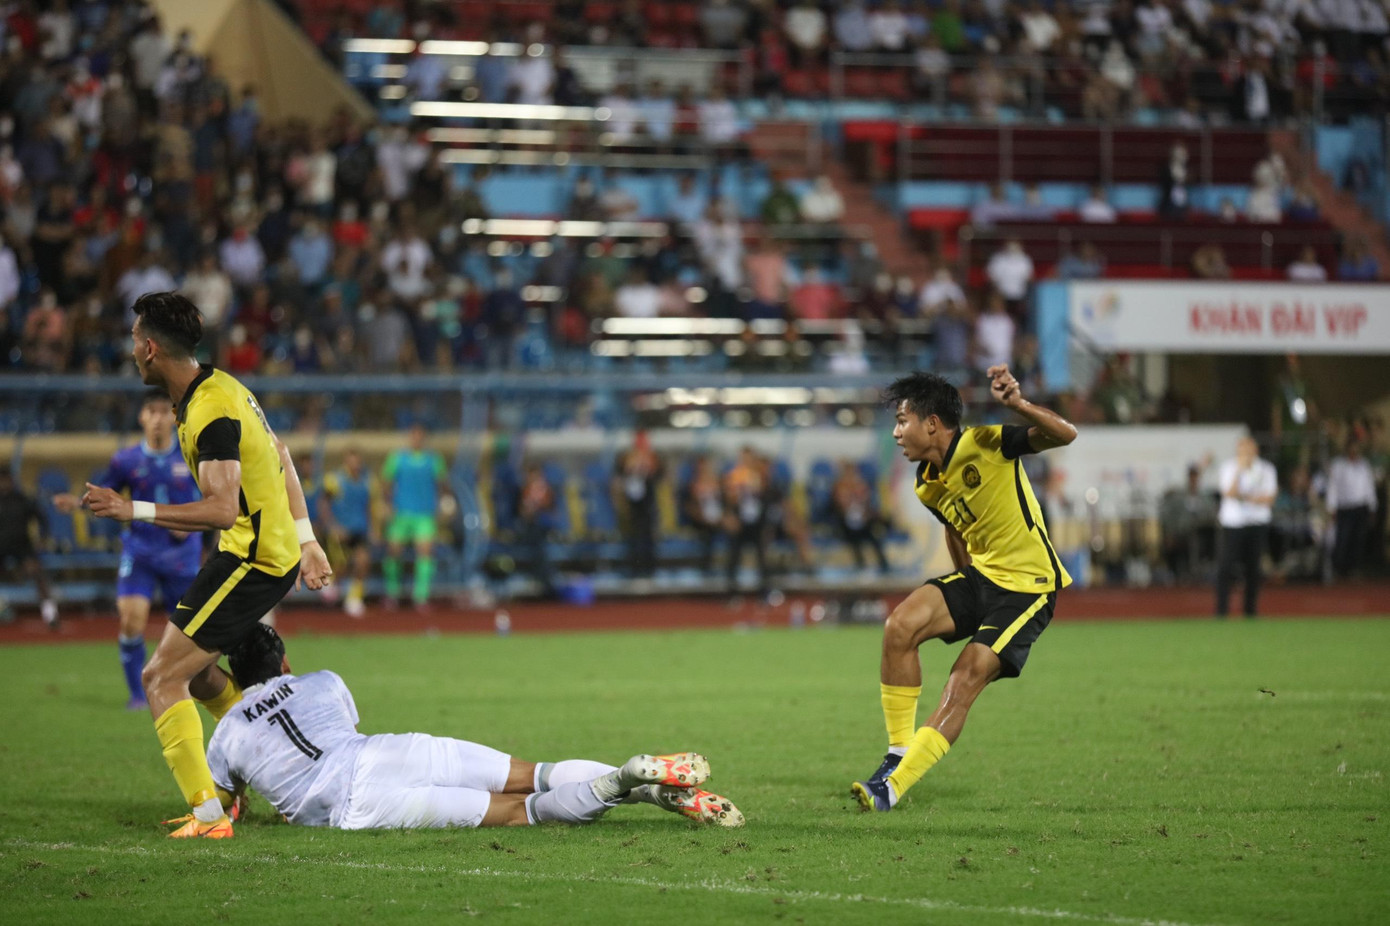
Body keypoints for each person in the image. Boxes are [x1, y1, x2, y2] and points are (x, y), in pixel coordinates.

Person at [80, 291, 332, 839]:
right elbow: (281, 454)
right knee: (194, 675)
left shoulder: (210, 408)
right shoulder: (223, 388)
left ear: (150, 349)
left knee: (160, 677)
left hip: (253, 559)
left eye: (133, 343)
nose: (131, 353)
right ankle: (269, 770)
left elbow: (221, 509)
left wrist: (132, 509)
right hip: (260, 551)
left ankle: (210, 815)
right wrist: (308, 538)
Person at [206, 624, 743, 830]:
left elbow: (226, 803)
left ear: (235, 674)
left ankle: (623, 779)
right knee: (536, 774)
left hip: (359, 806)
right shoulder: (322, 680)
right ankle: (651, 789)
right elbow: (341, 728)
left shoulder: (227, 731)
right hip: (388, 751)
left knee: (522, 813)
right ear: (284, 663)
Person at [850, 367, 1077, 813]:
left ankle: (891, 789)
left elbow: (1065, 434)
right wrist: (964, 592)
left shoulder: (987, 444)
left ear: (931, 423)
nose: (897, 433)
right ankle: (895, 755)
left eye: (902, 420)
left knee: (962, 677)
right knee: (900, 626)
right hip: (982, 578)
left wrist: (1018, 406)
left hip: (1028, 589)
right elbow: (957, 529)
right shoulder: (926, 483)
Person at [54, 391, 202, 709]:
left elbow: (215, 500)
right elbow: (105, 492)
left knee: (191, 631)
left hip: (182, 554)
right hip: (141, 551)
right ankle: (139, 695)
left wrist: (193, 523)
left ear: (174, 418)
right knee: (131, 621)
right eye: (152, 410)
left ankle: (185, 686)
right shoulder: (126, 460)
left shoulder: (191, 455)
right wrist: (78, 502)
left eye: (165, 411)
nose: (159, 417)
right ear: (142, 417)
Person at [381, 424, 449, 609]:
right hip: (401, 513)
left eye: (420, 436)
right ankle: (393, 593)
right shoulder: (397, 458)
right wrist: (387, 504)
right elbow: (386, 483)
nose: (417, 439)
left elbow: (441, 483)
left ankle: (421, 596)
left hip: (424, 514)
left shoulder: (433, 460)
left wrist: (444, 503)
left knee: (425, 552)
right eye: (414, 435)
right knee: (393, 550)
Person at [1214, 437, 1277, 618]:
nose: (1246, 455)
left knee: (1253, 568)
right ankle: (1221, 611)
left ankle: (1250, 611)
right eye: (1242, 451)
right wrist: (1240, 472)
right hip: (1233, 524)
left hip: (1257, 523)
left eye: (1249, 450)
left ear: (1255, 451)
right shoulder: (1229, 468)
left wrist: (1247, 498)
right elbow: (1229, 493)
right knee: (1225, 567)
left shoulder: (1266, 469)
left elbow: (1270, 498)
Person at [321, 449, 376, 618]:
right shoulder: (335, 480)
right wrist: (332, 526)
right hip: (340, 532)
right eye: (351, 461)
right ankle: (330, 584)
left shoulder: (368, 481)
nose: (354, 464)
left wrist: (374, 528)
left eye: (357, 461)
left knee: (363, 562)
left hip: (359, 530)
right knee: (341, 567)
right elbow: (324, 504)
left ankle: (353, 598)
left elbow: (369, 506)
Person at [0, 469, 58, 628]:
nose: (4, 484)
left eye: (6, 480)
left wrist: (43, 538)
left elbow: (42, 518)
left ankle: (50, 614)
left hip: (22, 546)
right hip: (1, 547)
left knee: (37, 573)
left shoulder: (22, 500)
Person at [612, 434, 663, 579]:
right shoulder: (627, 459)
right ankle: (635, 570)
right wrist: (631, 467)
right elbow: (619, 475)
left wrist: (647, 468)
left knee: (648, 538)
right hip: (632, 506)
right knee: (634, 539)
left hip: (647, 506)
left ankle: (649, 570)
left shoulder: (652, 460)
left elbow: (659, 476)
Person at [1326, 439, 1377, 578]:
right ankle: (1338, 568)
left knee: (1358, 539)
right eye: (1352, 448)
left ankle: (1354, 568)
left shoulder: (1364, 465)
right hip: (1344, 507)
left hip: (1361, 507)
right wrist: (1331, 508)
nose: (1354, 451)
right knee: (1342, 538)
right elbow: (1333, 487)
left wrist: (1373, 506)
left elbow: (1369, 487)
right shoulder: (1338, 465)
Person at [831, 461, 889, 573]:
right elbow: (839, 505)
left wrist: (864, 510)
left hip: (862, 522)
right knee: (854, 541)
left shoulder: (861, 486)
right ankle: (860, 565)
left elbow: (866, 504)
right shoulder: (839, 486)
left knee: (874, 538)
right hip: (846, 524)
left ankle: (884, 565)